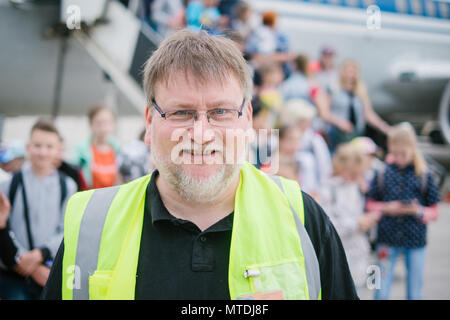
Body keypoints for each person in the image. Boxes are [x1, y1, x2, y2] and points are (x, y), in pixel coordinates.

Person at [42, 29, 357, 300]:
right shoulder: (90, 227)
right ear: (150, 122)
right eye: (181, 112)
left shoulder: (301, 217)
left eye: (220, 112)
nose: (201, 134)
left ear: (247, 119)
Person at [0, 119, 77, 299]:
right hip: (13, 273)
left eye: (49, 146)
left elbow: (66, 229)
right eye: (37, 145)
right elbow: (4, 226)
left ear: (58, 150)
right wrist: (23, 261)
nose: (43, 152)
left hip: (48, 272)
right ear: (28, 147)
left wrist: (39, 256)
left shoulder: (67, 186)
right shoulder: (10, 184)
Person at [366, 122, 441, 300]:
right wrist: (386, 207)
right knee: (378, 285)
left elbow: (435, 212)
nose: (398, 158)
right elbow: (369, 203)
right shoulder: (383, 172)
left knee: (415, 289)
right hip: (385, 238)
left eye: (403, 154)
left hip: (415, 241)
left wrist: (418, 211)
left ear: (413, 148)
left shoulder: (424, 174)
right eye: (394, 153)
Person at [319, 143, 381, 291]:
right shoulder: (328, 189)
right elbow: (328, 225)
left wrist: (368, 220)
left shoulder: (356, 187)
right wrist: (357, 223)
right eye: (353, 174)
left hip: (357, 253)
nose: (356, 178)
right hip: (338, 254)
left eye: (359, 174)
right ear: (341, 168)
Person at [321, 59, 391, 152]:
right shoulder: (333, 89)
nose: (350, 74)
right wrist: (340, 122)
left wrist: (385, 128)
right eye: (348, 71)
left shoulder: (360, 91)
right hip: (337, 134)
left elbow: (368, 114)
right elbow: (325, 113)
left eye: (353, 71)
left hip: (356, 134)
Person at [73, 104, 120, 189]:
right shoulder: (81, 151)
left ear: (113, 124)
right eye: (99, 123)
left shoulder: (119, 150)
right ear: (91, 124)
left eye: (107, 122)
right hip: (90, 198)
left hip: (113, 199)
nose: (103, 128)